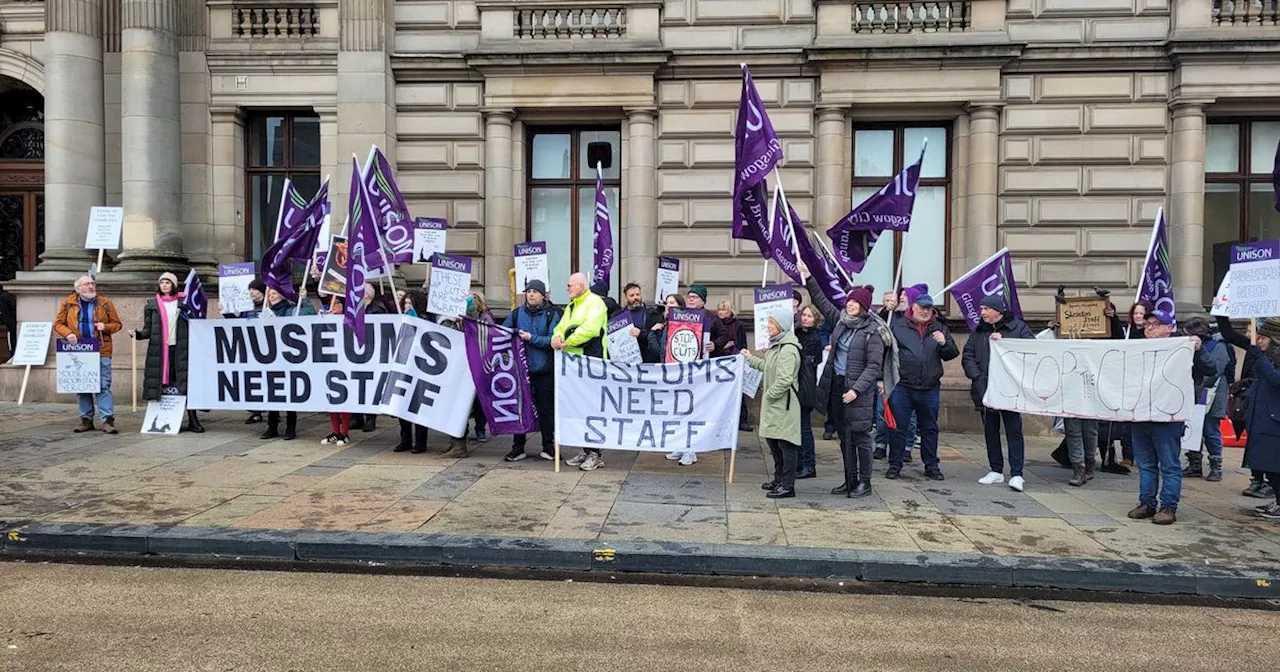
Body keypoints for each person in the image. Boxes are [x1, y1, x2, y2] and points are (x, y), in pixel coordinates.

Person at [1127, 309, 1214, 525]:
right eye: (1147, 324)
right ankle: (1147, 502)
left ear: (1169, 328)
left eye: (1155, 324)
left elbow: (1212, 368)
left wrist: (1198, 350)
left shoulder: (1183, 347)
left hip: (1168, 416)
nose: (1149, 328)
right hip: (1142, 413)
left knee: (1169, 464)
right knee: (1146, 463)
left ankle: (1168, 506)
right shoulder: (1138, 347)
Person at [805, 279, 886, 497]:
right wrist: (810, 279)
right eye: (849, 301)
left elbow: (873, 366)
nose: (850, 304)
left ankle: (865, 483)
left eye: (855, 302)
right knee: (844, 437)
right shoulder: (841, 322)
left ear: (864, 306)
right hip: (837, 385)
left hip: (857, 391)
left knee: (860, 437)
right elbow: (821, 302)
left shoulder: (873, 331)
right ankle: (850, 480)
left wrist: (856, 390)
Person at [963, 295, 1034, 492]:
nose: (982, 312)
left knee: (1014, 431)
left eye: (986, 308)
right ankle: (995, 470)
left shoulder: (1017, 328)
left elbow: (1032, 350)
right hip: (985, 389)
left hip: (1010, 389)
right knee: (990, 431)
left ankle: (1017, 474)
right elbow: (968, 355)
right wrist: (977, 378)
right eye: (981, 308)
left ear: (998, 310)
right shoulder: (979, 331)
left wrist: (1006, 342)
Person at [887, 290, 958, 480]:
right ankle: (895, 464)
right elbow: (886, 354)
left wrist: (945, 344)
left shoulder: (940, 328)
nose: (925, 311)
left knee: (929, 428)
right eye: (922, 308)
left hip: (930, 387)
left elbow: (952, 353)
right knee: (898, 427)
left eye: (929, 308)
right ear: (913, 307)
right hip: (903, 386)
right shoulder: (898, 325)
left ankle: (931, 465)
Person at [1217, 315, 1280, 518]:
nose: (1258, 341)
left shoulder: (1266, 357)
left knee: (1273, 465)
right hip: (1258, 416)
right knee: (1262, 464)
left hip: (1273, 419)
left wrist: (1259, 358)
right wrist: (1221, 312)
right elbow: (1230, 335)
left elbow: (1276, 380)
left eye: (1262, 338)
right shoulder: (1260, 351)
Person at [130, 272, 203, 433]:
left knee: (185, 384)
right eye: (162, 282)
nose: (164, 285)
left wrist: (188, 312)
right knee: (163, 386)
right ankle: (164, 419)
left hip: (181, 349)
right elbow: (148, 329)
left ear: (173, 285)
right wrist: (138, 334)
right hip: (160, 351)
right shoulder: (152, 305)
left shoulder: (183, 302)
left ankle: (193, 419)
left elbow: (197, 324)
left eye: (167, 282)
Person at [554, 272, 610, 471]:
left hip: (592, 363)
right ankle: (586, 450)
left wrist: (567, 342)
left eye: (570, 285)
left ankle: (596, 453)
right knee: (578, 407)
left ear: (581, 286)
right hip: (574, 366)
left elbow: (591, 329)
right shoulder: (571, 306)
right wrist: (556, 338)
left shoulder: (596, 303)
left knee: (591, 408)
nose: (567, 288)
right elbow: (560, 327)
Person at [54, 275, 123, 434]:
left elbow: (117, 324)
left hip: (101, 349)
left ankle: (107, 420)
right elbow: (58, 324)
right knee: (82, 386)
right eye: (86, 284)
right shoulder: (68, 303)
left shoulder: (105, 303)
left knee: (103, 385)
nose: (91, 286)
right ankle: (86, 420)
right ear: (78, 288)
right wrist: (68, 333)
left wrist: (104, 327)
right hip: (79, 350)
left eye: (92, 283)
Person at [746, 311, 803, 499]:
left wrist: (769, 395)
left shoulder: (788, 349)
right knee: (774, 442)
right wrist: (750, 358)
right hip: (775, 404)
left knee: (786, 444)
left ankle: (788, 485)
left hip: (783, 404)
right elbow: (767, 367)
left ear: (781, 325)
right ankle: (779, 480)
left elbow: (785, 379)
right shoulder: (776, 346)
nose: (767, 326)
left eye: (771, 322)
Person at [503, 279, 561, 462]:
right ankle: (517, 447)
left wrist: (530, 338)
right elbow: (502, 333)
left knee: (546, 410)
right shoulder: (516, 314)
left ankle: (548, 446)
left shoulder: (553, 314)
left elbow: (552, 341)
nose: (531, 294)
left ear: (543, 295)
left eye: (535, 292)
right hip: (521, 371)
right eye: (529, 291)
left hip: (544, 370)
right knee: (520, 409)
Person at [260, 287, 316, 440]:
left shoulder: (293, 311)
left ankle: (291, 428)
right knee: (273, 392)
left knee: (290, 393)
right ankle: (272, 427)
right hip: (272, 358)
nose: (271, 296)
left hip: (289, 358)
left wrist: (304, 299)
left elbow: (310, 312)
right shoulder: (265, 313)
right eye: (269, 294)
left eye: (275, 293)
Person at [1181, 317, 1230, 482]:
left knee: (1210, 429)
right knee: (1193, 428)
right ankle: (1195, 463)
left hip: (1213, 392)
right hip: (1195, 390)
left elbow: (1216, 369)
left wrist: (1200, 387)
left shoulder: (1218, 346)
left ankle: (1216, 465)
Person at [394, 288, 432, 454]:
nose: (407, 306)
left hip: (420, 369)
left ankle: (420, 442)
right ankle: (405, 440)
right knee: (402, 405)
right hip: (403, 367)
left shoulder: (425, 320)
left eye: (411, 304)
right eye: (406, 303)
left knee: (417, 406)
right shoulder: (400, 319)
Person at [349, 282, 387, 434]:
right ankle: (357, 417)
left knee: (369, 386)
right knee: (355, 384)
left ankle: (370, 418)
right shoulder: (354, 311)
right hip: (355, 353)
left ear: (366, 295)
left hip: (370, 353)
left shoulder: (377, 311)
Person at [794, 305, 824, 479]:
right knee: (796, 426)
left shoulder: (814, 338)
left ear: (815, 319)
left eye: (809, 316)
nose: (805, 318)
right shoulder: (797, 333)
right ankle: (799, 462)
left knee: (804, 427)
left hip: (806, 386)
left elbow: (812, 361)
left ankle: (808, 464)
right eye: (804, 315)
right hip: (798, 384)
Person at [318, 297, 352, 446]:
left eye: (337, 303)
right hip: (329, 362)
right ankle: (335, 431)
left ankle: (344, 432)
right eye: (333, 303)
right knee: (331, 399)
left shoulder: (349, 319)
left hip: (344, 363)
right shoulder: (326, 318)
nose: (334, 306)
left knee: (344, 399)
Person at [717, 300, 753, 433]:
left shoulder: (738, 325)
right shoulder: (716, 323)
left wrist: (735, 346)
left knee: (739, 391)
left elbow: (742, 343)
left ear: (731, 311)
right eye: (719, 309)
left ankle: (742, 420)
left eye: (724, 309)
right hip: (720, 361)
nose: (721, 312)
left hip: (734, 360)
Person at [619, 282, 662, 363]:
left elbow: (658, 336)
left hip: (648, 360)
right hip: (627, 361)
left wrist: (641, 334)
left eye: (637, 294)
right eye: (632, 295)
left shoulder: (652, 314)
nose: (635, 297)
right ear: (625, 298)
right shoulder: (618, 316)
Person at [685, 284, 731, 356]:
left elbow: (725, 335)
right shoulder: (681, 315)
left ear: (703, 301)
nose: (691, 299)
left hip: (705, 358)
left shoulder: (711, 317)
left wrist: (715, 344)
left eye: (694, 297)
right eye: (689, 297)